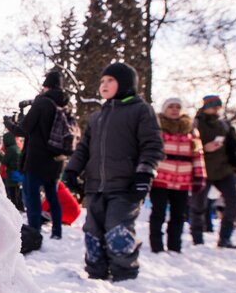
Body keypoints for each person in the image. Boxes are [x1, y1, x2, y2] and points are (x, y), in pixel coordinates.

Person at [64, 63, 164, 281]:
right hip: (95, 186)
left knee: (117, 229)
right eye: (102, 81)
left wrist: (144, 174)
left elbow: (152, 145)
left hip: (125, 186)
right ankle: (96, 274)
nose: (104, 84)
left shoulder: (140, 110)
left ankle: (124, 274)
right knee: (92, 231)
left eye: (110, 80)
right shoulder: (97, 116)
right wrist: (72, 170)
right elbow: (83, 148)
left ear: (125, 83)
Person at [7, 70, 71, 240]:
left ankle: (34, 233)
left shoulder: (42, 103)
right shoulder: (64, 105)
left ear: (46, 86)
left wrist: (9, 123)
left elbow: (23, 129)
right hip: (56, 161)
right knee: (52, 196)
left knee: (32, 197)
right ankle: (57, 232)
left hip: (36, 159)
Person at [189, 95, 236, 249]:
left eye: (218, 106)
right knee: (198, 205)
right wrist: (204, 147)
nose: (216, 109)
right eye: (213, 106)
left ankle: (225, 238)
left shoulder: (225, 126)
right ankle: (197, 238)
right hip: (202, 170)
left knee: (234, 202)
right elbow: (188, 145)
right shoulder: (195, 125)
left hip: (224, 170)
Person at [148, 98, 206, 253]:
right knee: (158, 212)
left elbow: (197, 155)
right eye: (171, 107)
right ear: (165, 109)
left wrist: (200, 176)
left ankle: (175, 245)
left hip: (183, 180)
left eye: (177, 107)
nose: (174, 110)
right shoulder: (157, 128)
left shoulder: (191, 131)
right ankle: (156, 245)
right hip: (160, 178)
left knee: (178, 215)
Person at [0, 131, 24, 211]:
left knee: (12, 194)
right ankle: (20, 208)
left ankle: (15, 210)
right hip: (17, 174)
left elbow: (4, 161)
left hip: (11, 175)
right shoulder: (17, 148)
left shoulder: (10, 149)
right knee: (17, 193)